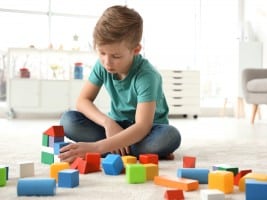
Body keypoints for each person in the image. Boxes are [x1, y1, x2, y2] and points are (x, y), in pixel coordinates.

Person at [59, 5, 181, 163]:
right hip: (115, 126)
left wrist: (96, 148)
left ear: (136, 50)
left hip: (147, 130)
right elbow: (83, 101)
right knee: (68, 120)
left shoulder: (147, 76)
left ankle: (109, 147)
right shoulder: (101, 65)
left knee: (170, 136)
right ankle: (129, 149)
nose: (107, 62)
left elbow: (142, 126)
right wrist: (108, 123)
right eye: (102, 53)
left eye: (116, 56)